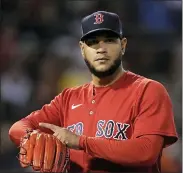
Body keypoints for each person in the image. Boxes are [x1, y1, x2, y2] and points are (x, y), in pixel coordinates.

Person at [9, 11, 178, 173]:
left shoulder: (148, 90)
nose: (101, 48)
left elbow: (146, 151)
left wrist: (81, 142)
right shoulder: (68, 98)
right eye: (93, 42)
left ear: (123, 45)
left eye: (109, 40)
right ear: (83, 49)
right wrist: (33, 137)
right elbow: (17, 129)